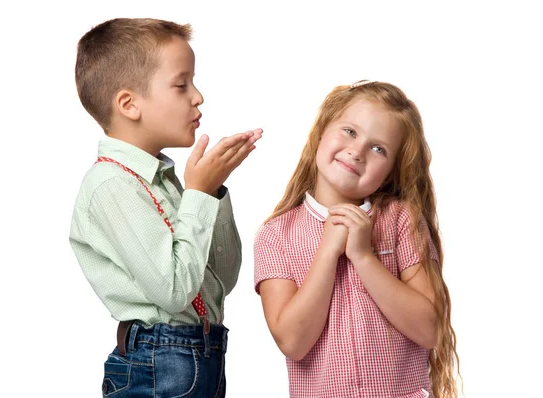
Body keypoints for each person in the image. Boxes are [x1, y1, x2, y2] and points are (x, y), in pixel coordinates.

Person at [69, 17, 262, 397]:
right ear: (129, 104)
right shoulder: (111, 186)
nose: (198, 96)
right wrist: (199, 196)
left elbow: (222, 278)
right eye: (181, 84)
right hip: (159, 363)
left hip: (199, 355)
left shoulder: (165, 182)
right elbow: (174, 291)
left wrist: (212, 192)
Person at [254, 80, 458, 397]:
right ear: (321, 131)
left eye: (379, 149)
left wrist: (364, 257)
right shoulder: (276, 235)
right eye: (350, 131)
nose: (357, 151)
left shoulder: (402, 220)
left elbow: (429, 330)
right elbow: (293, 342)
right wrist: (327, 253)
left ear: (390, 172)